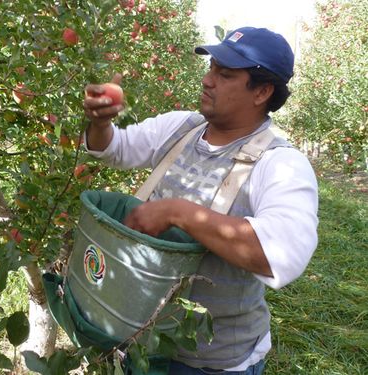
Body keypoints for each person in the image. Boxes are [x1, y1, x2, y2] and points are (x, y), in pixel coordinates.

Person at [82, 27, 319, 374]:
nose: (208, 80)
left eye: (224, 75)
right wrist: (100, 123)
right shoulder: (180, 128)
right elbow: (113, 148)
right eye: (211, 68)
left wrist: (178, 212)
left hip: (210, 363)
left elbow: (282, 255)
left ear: (263, 92)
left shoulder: (280, 163)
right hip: (137, 341)